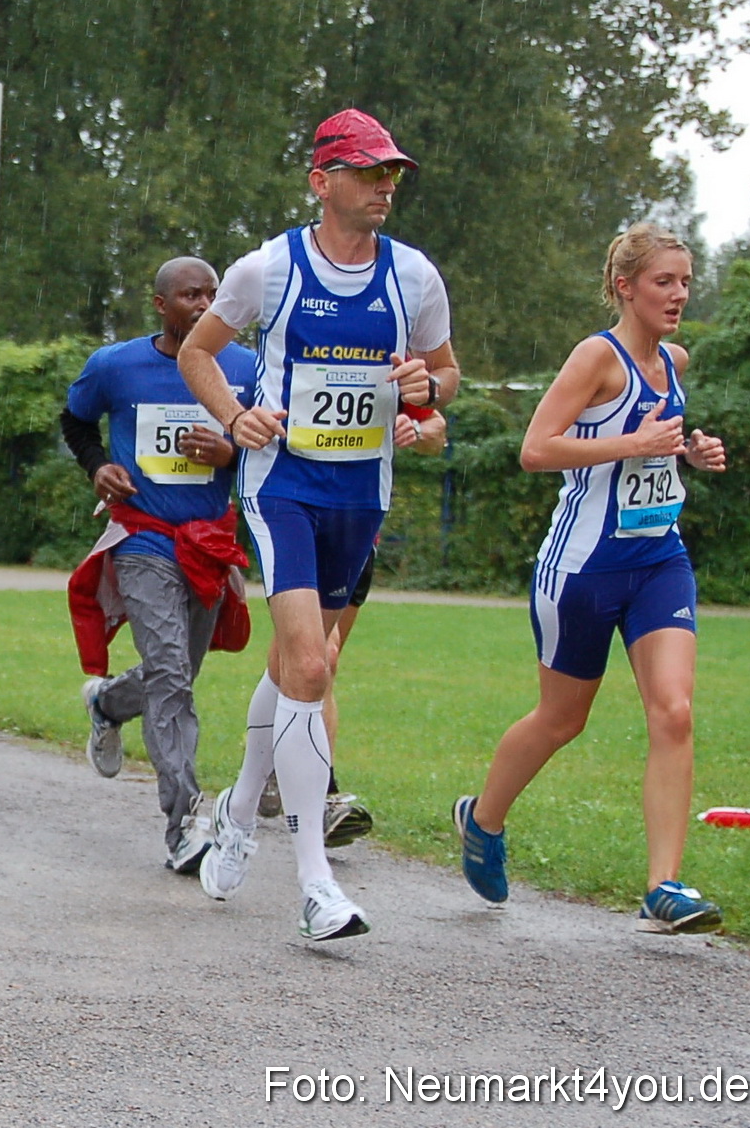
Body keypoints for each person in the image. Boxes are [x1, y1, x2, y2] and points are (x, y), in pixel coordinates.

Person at [177, 108, 458, 940]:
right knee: (310, 663)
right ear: (322, 180)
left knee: (299, 666)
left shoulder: (414, 278)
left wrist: (425, 393)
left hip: (361, 492)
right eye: (370, 172)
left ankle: (234, 807)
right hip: (283, 485)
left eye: (392, 174)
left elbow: (445, 377)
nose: (385, 187)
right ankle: (314, 882)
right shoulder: (267, 269)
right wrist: (235, 417)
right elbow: (199, 351)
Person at [455, 224, 724, 934]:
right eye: (664, 281)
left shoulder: (675, 359)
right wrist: (633, 443)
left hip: (659, 559)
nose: (679, 294)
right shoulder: (595, 358)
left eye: (686, 281)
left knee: (674, 710)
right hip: (581, 566)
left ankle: (663, 886)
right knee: (561, 719)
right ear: (624, 286)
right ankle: (481, 820)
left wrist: (690, 452)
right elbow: (535, 448)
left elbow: (656, 447)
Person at [61, 256, 254, 872]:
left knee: (179, 674)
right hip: (142, 537)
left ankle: (109, 704)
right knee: (171, 672)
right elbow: (75, 420)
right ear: (162, 305)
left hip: (210, 545)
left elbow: (273, 451)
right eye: (190, 295)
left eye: (211, 294)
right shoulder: (116, 366)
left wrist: (230, 452)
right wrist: (97, 467)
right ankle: (185, 824)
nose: (203, 304)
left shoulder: (245, 369)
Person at [256, 407, 448, 844]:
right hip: (295, 519)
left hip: (356, 531)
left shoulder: (383, 357)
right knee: (320, 655)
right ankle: (321, 793)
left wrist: (418, 429)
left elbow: (438, 433)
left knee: (309, 660)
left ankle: (272, 759)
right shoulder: (291, 352)